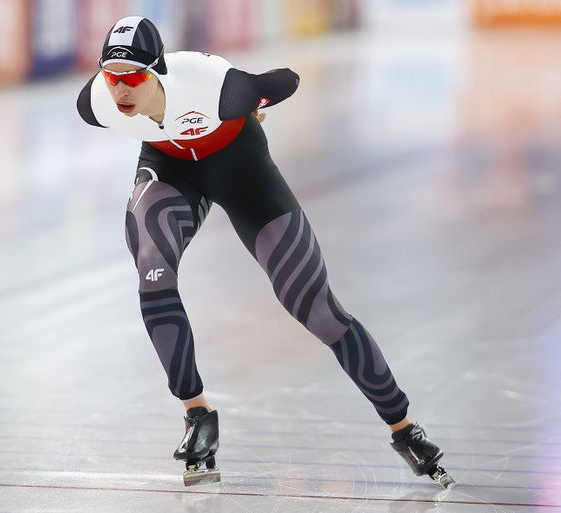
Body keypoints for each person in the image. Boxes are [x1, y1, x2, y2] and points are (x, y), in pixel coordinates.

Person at [77, 16, 453, 488]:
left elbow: (286, 81)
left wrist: (250, 102)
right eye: (113, 77)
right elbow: (100, 99)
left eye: (133, 77)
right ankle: (198, 414)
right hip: (170, 166)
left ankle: (404, 428)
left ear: (158, 71)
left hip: (240, 166)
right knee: (153, 270)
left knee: (317, 310)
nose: (120, 91)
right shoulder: (97, 103)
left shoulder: (215, 89)